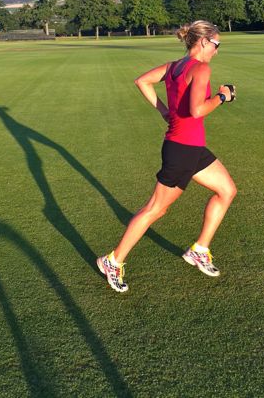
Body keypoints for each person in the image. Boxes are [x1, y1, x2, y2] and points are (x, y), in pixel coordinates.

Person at [97, 20, 238, 293]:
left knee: (227, 190)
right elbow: (197, 110)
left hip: (192, 148)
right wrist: (222, 97)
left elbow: (142, 81)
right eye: (217, 45)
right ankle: (112, 260)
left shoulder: (174, 67)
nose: (217, 51)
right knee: (155, 209)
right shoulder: (200, 68)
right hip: (182, 150)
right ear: (204, 42)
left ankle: (199, 249)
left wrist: (164, 111)